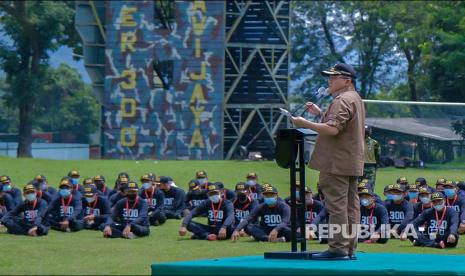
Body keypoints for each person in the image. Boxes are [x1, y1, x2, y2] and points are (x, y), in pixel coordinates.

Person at [291, 63, 364, 260]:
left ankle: (337, 249)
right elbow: (340, 124)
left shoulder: (341, 100)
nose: (329, 80)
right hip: (349, 161)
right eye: (329, 77)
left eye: (334, 77)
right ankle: (349, 250)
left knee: (337, 207)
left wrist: (304, 123)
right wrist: (319, 114)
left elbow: (333, 129)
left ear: (347, 80)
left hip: (335, 163)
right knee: (350, 208)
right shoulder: (354, 97)